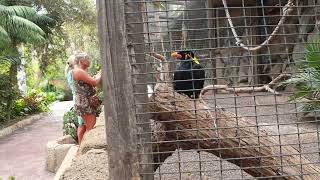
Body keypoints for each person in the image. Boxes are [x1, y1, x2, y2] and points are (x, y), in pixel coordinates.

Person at [72, 53, 102, 137]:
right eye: (87, 59)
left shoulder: (81, 71)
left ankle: (83, 148)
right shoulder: (79, 71)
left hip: (85, 102)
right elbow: (95, 82)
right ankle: (84, 148)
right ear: (81, 61)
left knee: (89, 126)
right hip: (84, 102)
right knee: (90, 127)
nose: (89, 61)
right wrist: (101, 73)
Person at [65, 55, 86, 145]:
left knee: (82, 123)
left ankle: (81, 145)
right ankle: (81, 145)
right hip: (78, 99)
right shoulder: (73, 73)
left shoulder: (71, 72)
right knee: (81, 123)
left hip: (77, 98)